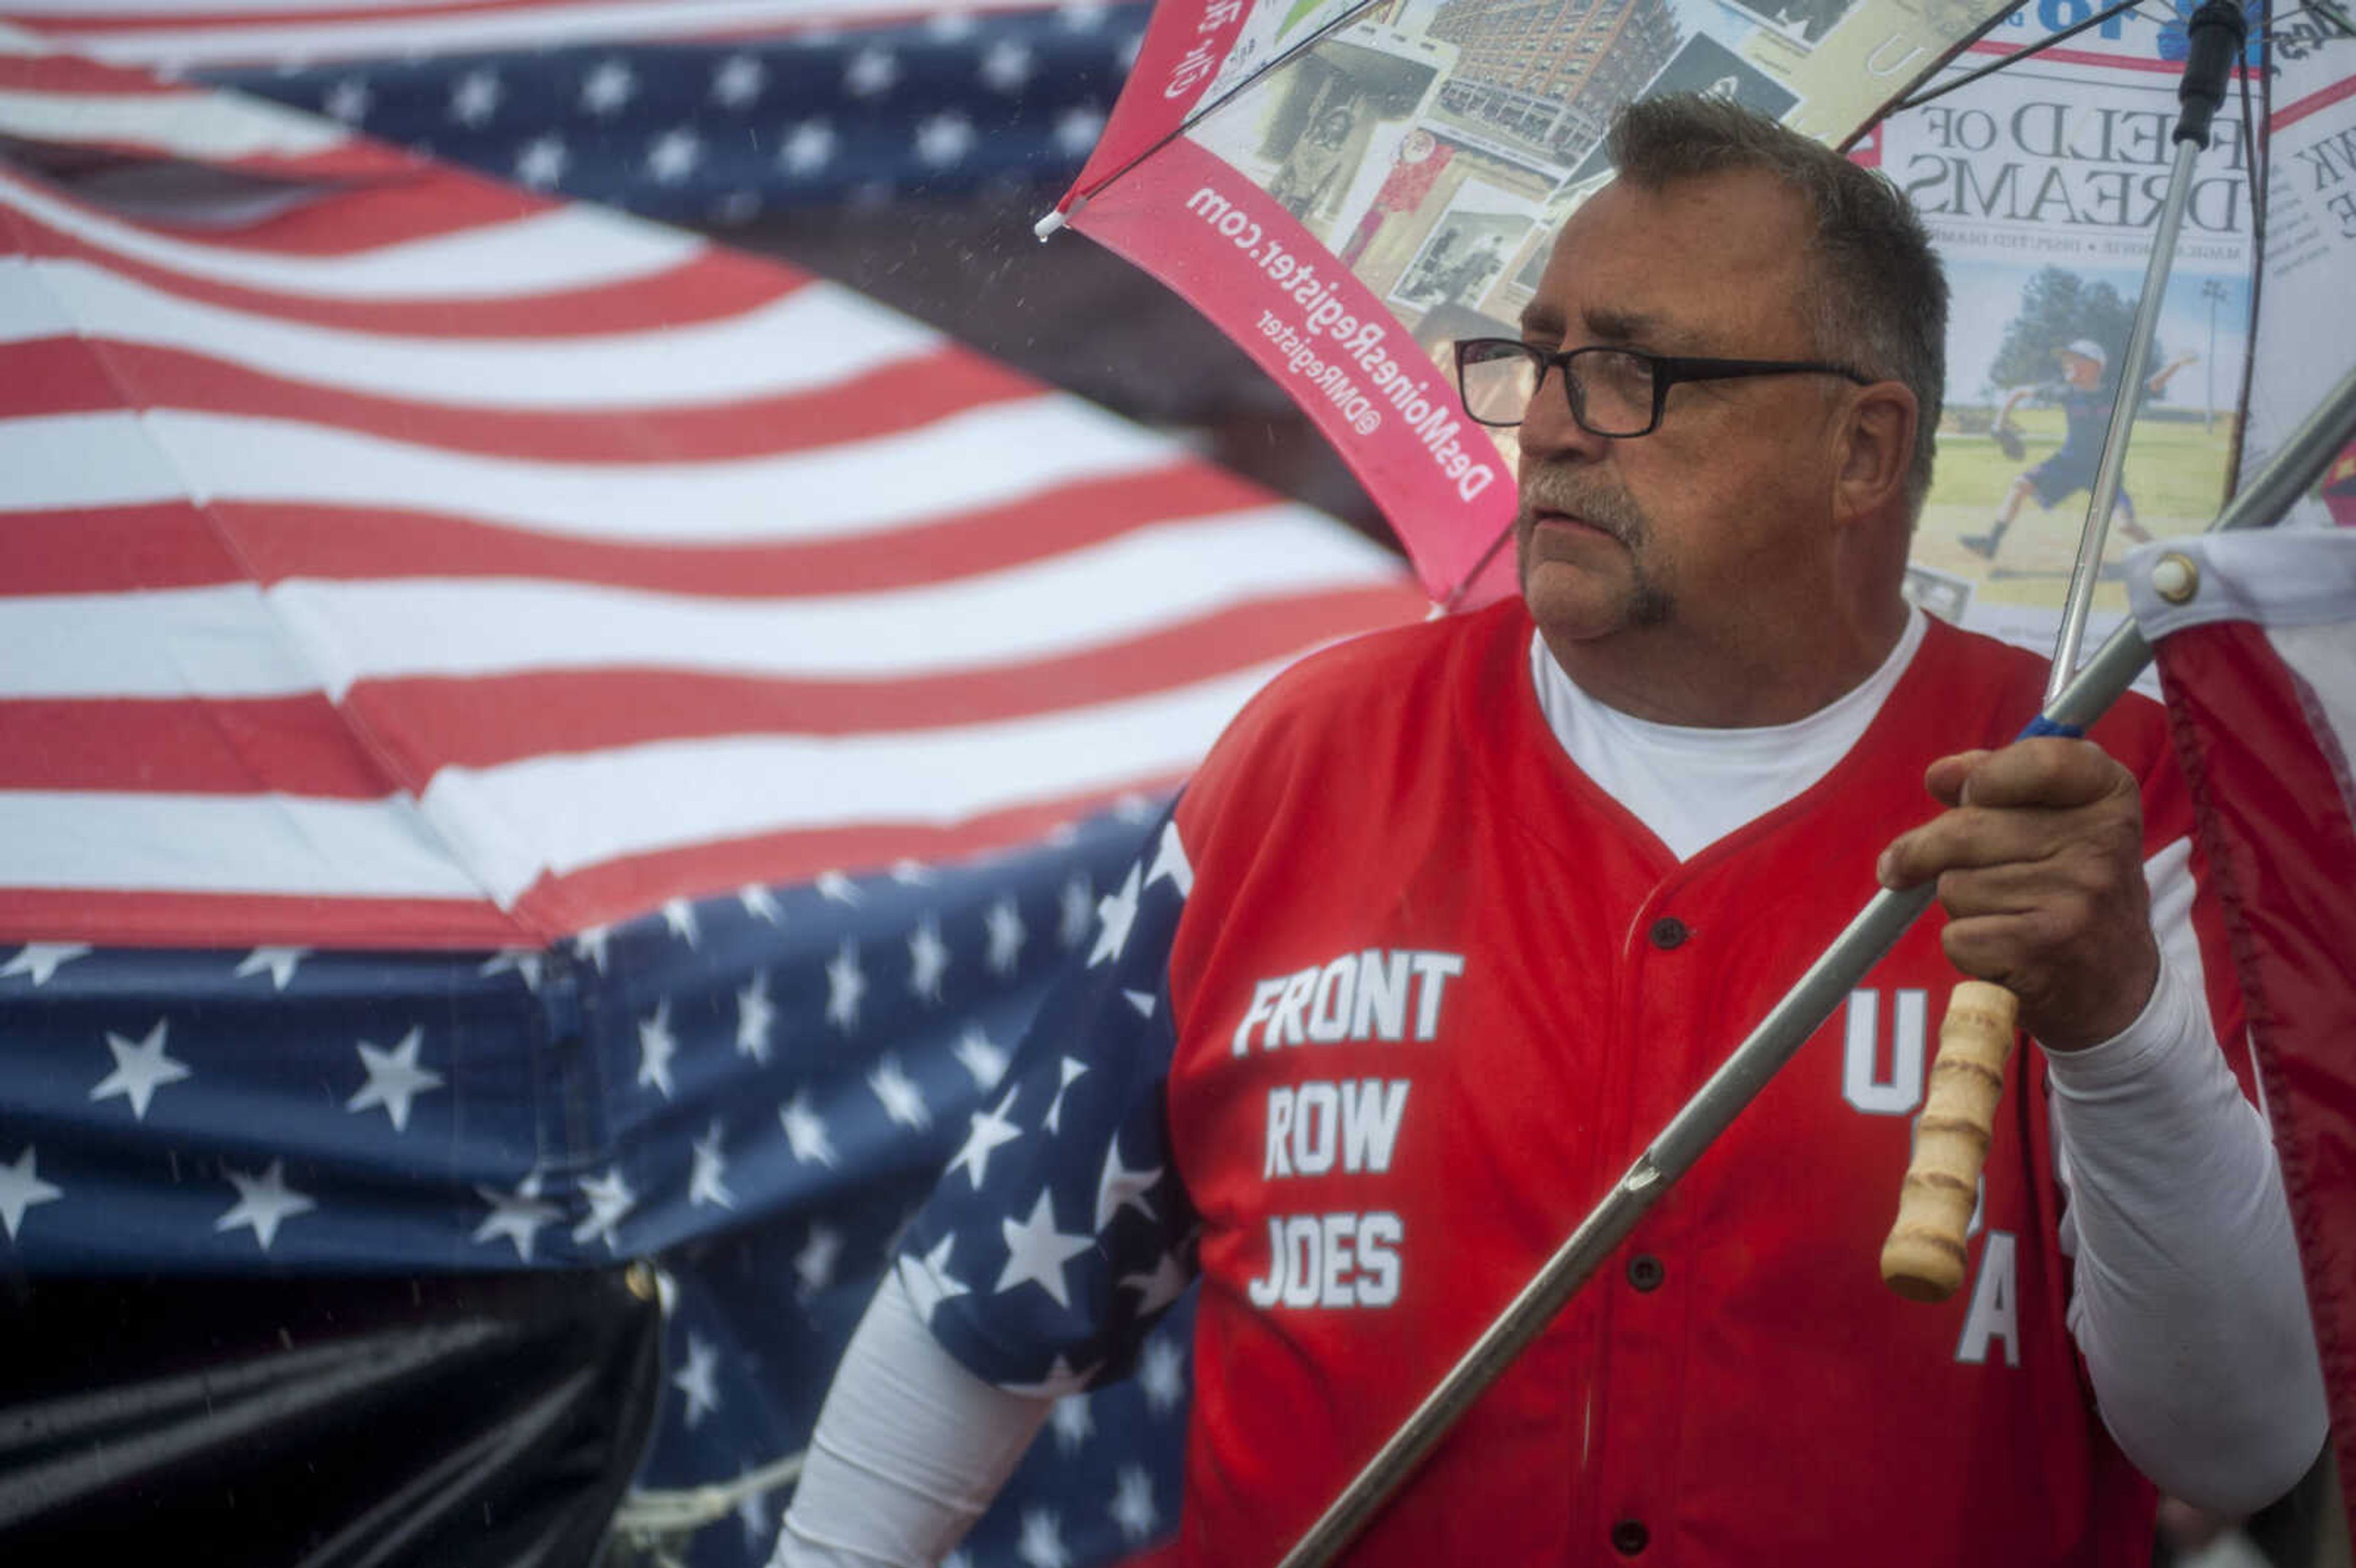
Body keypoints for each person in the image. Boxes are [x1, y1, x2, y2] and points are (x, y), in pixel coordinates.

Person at [774, 97, 2325, 1567]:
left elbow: (2238, 1442)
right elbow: (981, 1306)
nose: (1556, 429)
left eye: (1636, 375)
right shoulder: (1307, 762)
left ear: (1862, 450)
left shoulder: (2088, 806)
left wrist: (2113, 1026)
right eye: (1536, 359)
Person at [1960, 337, 2197, 563]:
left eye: (2074, 360)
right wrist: (1998, 424)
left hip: (2104, 471)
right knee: (2020, 485)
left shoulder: (2116, 393)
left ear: (2095, 366)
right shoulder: (2065, 392)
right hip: (2068, 463)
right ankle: (1990, 543)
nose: (2067, 365)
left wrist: (2177, 363)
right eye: (2066, 360)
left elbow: (2153, 385)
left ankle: (2167, 557)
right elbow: (2018, 392)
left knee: (2125, 525)